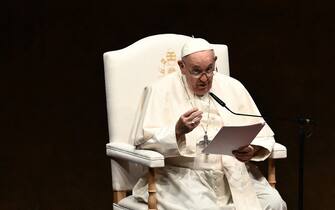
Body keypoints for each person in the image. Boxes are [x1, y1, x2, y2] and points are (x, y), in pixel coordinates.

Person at [130, 38, 287, 210]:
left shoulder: (233, 86)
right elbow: (144, 142)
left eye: (209, 70)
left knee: (274, 203)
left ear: (215, 63)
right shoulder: (160, 90)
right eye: (196, 71)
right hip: (182, 178)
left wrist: (252, 149)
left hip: (234, 173)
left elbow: (262, 134)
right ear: (182, 66)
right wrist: (177, 131)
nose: (205, 79)